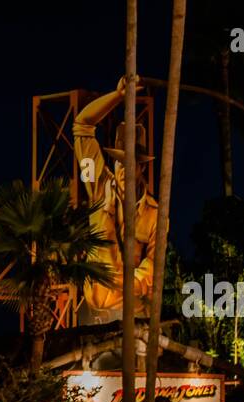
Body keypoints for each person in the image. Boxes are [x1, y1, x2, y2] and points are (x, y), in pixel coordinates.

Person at [73, 77, 158, 320]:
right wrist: (118, 95)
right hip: (94, 312)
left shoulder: (154, 213)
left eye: (131, 163)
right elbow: (82, 125)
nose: (123, 169)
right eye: (119, 162)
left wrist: (125, 287)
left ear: (141, 168)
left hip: (132, 314)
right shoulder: (98, 185)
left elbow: (152, 265)